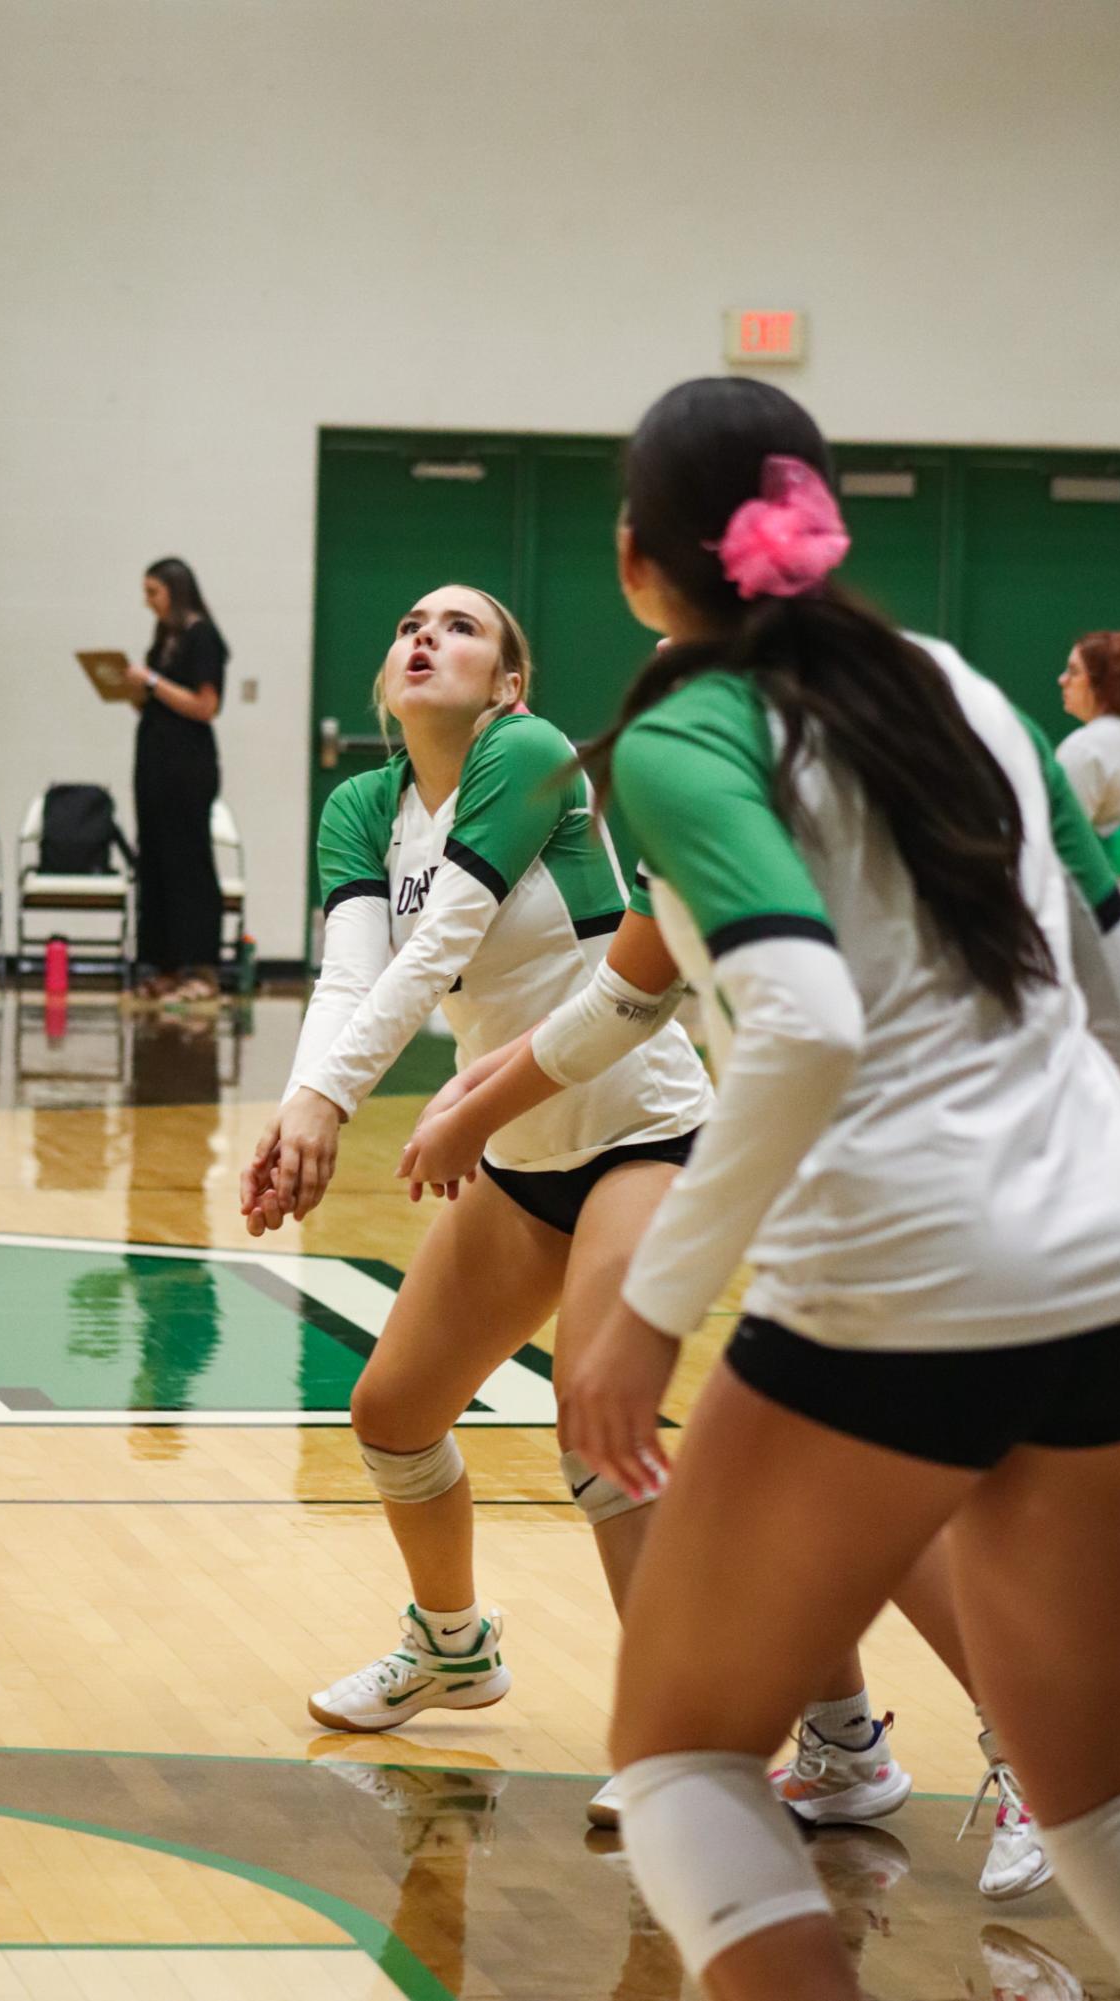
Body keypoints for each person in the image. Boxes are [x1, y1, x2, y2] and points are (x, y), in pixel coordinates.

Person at [536, 376, 1120, 2001]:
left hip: (896, 1278)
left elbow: (799, 1017)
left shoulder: (675, 732)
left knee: (676, 1764)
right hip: (1098, 1259)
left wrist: (646, 1316)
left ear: (634, 560)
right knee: (1093, 1800)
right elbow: (1110, 969)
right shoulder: (953, 683)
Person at [240, 583, 713, 1825]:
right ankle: (453, 1648)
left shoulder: (531, 754)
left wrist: (330, 1108)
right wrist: (301, 1104)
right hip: (512, 1146)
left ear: (509, 682)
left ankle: (684, 1736)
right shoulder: (361, 805)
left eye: (458, 627)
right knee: (391, 1412)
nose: (420, 635)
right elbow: (351, 977)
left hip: (639, 1124)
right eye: (406, 623)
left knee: (593, 1423)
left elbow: (435, 951)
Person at [127, 558, 228, 1004]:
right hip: (154, 760)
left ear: (174, 589)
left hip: (188, 766)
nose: (148, 602)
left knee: (189, 862)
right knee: (154, 863)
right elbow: (156, 700)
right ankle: (163, 964)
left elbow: (205, 705)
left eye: (154, 592)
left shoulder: (202, 635)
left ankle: (200, 968)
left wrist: (150, 680)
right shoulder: (164, 636)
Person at [1057, 630, 1120, 877]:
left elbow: (1061, 842)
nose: (1062, 679)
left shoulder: (1085, 748)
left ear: (1103, 683)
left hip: (1105, 907)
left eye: (1074, 671)